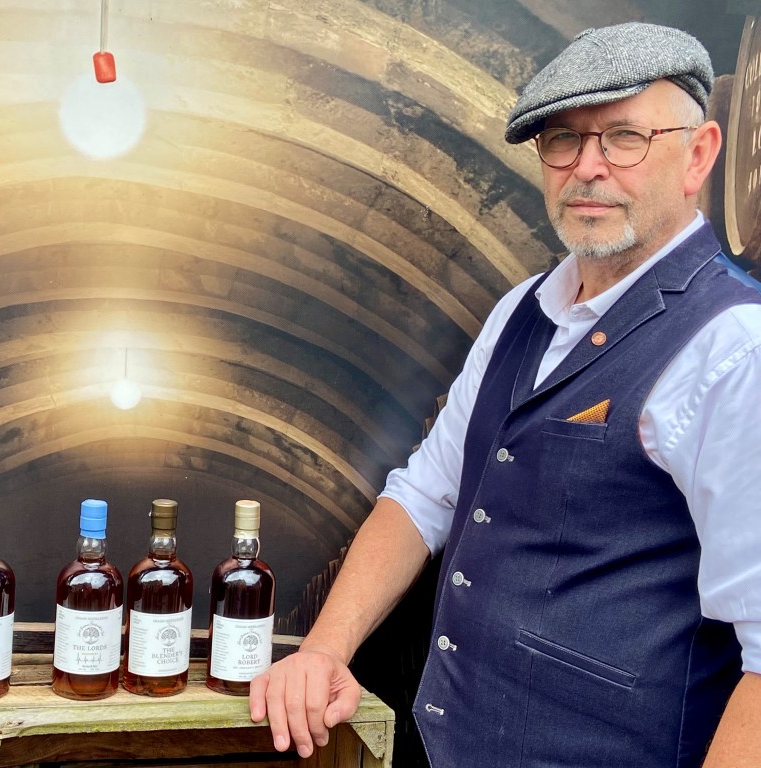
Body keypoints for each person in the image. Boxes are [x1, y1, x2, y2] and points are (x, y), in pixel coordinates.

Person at [249, 22, 761, 768]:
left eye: (625, 137)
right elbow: (422, 496)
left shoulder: (734, 347)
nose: (588, 168)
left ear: (699, 154)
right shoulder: (522, 309)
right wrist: (324, 649)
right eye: (563, 140)